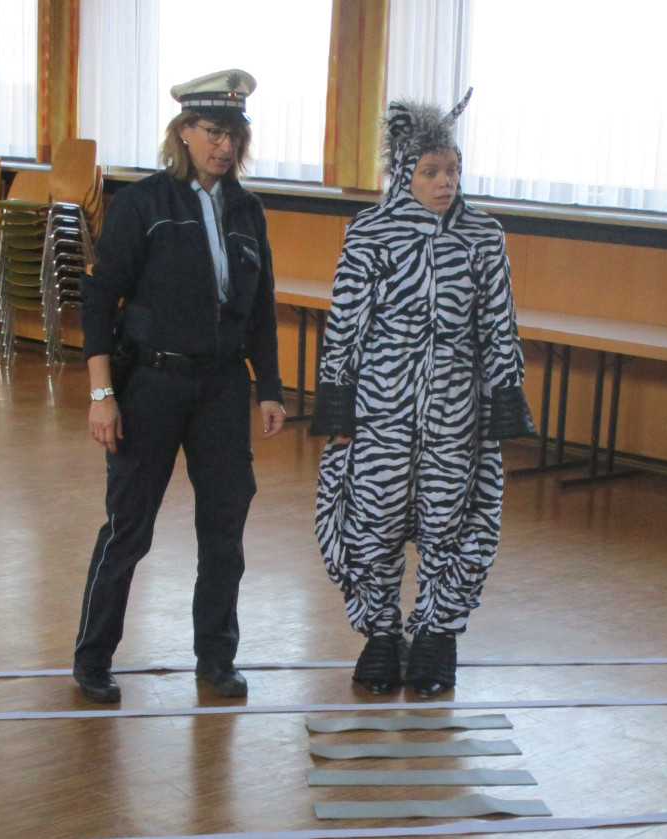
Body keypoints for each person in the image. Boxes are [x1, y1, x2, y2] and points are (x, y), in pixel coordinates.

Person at [309, 89, 535, 699]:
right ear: (405, 173)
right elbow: (345, 324)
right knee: (372, 523)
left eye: (453, 170)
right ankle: (381, 634)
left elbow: (499, 323)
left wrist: (503, 397)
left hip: (456, 416)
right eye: (431, 171)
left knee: (453, 525)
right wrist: (339, 403)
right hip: (380, 413)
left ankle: (436, 635)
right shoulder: (370, 233)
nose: (445, 182)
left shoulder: (483, 236)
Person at [72, 69, 286, 703]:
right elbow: (98, 300)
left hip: (221, 389)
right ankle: (92, 658)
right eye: (213, 131)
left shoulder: (248, 211)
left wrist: (270, 388)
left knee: (225, 531)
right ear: (184, 131)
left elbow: (261, 308)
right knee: (128, 529)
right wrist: (101, 394)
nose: (225, 145)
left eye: (234, 134)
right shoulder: (144, 205)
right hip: (150, 385)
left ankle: (216, 658)